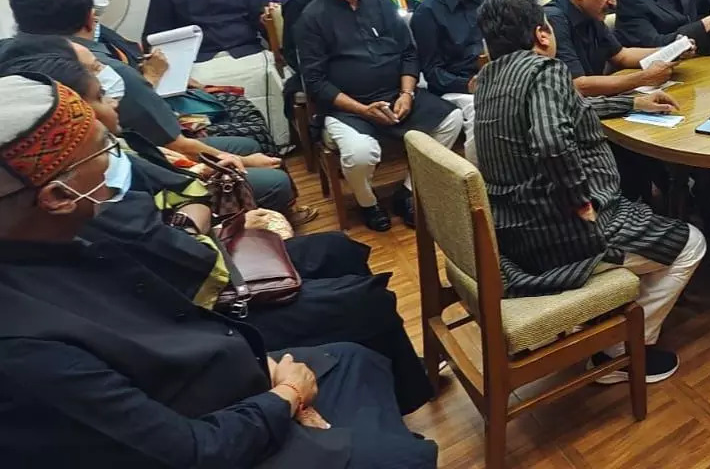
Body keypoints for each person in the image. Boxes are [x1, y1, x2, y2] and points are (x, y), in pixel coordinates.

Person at [0, 73, 437, 468]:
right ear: (57, 196)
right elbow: (189, 451)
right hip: (205, 431)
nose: (118, 159)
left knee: (356, 360)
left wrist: (250, 364)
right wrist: (284, 397)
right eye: (104, 150)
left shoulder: (62, 238)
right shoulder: (26, 346)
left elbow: (165, 328)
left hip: (208, 375)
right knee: (403, 456)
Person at [473, 0, 706, 382]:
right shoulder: (544, 70)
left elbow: (569, 111)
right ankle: (622, 351)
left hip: (515, 230)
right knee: (692, 244)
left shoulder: (489, 80)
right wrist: (582, 203)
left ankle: (609, 318)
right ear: (542, 35)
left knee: (647, 218)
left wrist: (632, 103)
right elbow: (551, 140)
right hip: (563, 235)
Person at [6, 0, 307, 221]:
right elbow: (165, 146)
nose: (109, 101)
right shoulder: (97, 71)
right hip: (141, 172)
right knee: (271, 178)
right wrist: (231, 162)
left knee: (245, 141)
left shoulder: (13, 62)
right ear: (89, 17)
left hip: (129, 156)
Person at [296, 0, 463, 232]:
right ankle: (367, 203)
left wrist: (407, 94)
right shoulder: (312, 18)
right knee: (360, 154)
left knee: (452, 119)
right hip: (348, 109)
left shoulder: (381, 2)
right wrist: (362, 109)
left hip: (397, 94)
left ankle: (409, 191)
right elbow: (316, 82)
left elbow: (409, 53)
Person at [545, 0, 683, 98]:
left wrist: (673, 51)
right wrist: (643, 78)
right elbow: (578, 85)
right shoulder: (553, 20)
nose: (613, 2)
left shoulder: (590, 12)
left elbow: (622, 56)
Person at [411, 0, 486, 163]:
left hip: (483, 75)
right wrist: (467, 85)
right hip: (451, 87)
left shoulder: (474, 1)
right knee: (478, 109)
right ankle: (476, 177)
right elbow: (432, 72)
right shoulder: (427, 12)